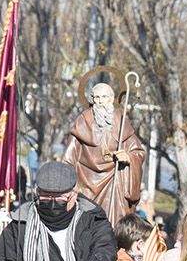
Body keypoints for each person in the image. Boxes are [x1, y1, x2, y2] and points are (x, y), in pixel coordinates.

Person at [62, 81, 145, 224]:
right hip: (87, 184)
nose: (100, 102)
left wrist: (128, 157)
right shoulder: (83, 121)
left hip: (115, 182)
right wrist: (69, 186)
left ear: (112, 99)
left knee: (115, 225)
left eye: (104, 97)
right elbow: (69, 158)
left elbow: (138, 151)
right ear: (92, 99)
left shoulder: (121, 120)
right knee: (88, 224)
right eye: (97, 98)